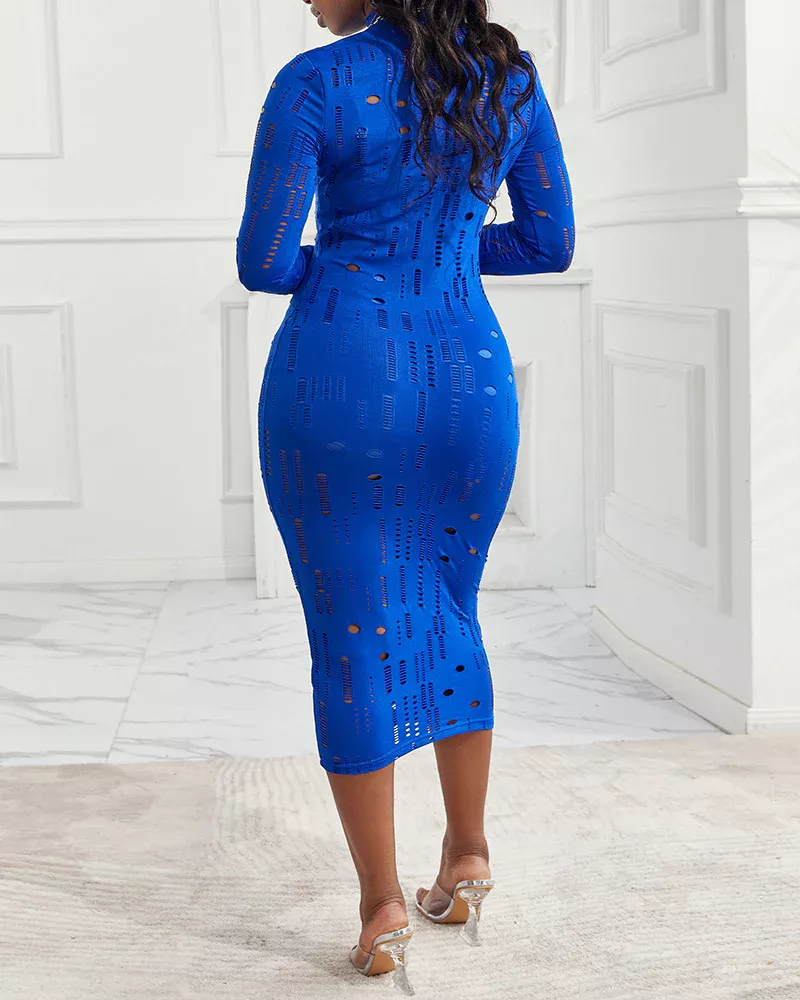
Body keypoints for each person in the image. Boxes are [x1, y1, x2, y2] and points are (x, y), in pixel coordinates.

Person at [236, 0, 574, 989]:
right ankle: (467, 856)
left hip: (341, 377)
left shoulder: (315, 81)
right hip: (469, 384)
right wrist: (445, 252)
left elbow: (265, 263)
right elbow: (548, 242)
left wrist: (353, 260)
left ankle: (382, 907)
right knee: (450, 612)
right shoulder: (508, 77)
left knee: (353, 636)